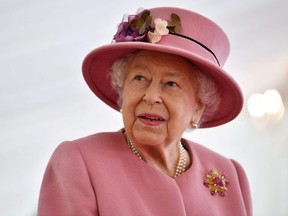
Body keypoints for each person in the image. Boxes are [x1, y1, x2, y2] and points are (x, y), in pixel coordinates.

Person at [38, 6, 252, 216]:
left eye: (170, 83)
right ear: (122, 89)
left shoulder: (231, 175)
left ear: (198, 108)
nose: (150, 96)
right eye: (139, 78)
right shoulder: (80, 161)